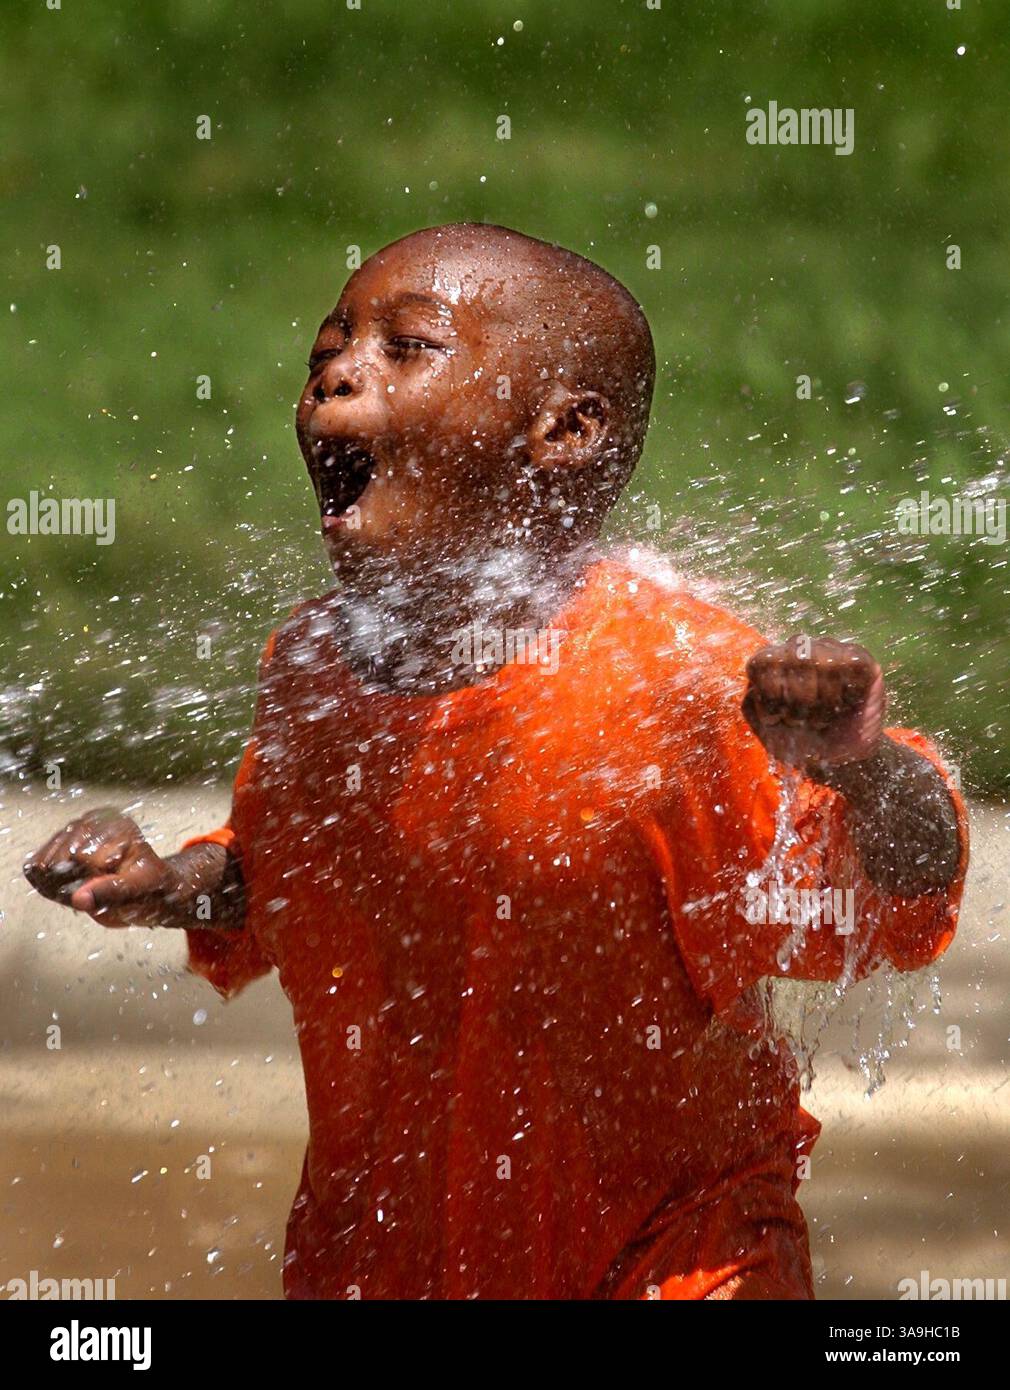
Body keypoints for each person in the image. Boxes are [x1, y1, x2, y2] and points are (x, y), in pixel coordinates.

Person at [24, 223, 968, 1299]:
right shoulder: (314, 665)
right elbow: (292, 867)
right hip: (382, 1260)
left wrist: (858, 762)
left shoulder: (676, 678)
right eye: (328, 346)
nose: (337, 369)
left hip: (672, 1259)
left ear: (562, 430)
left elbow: (903, 881)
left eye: (404, 346)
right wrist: (167, 887)